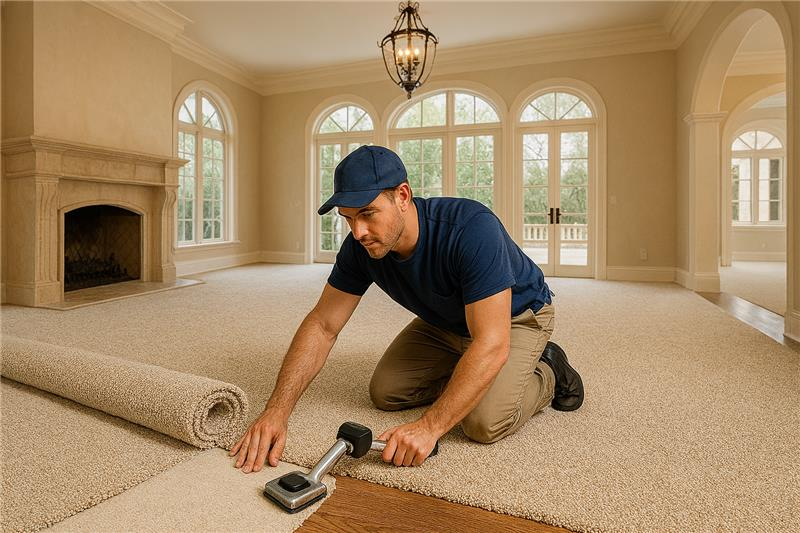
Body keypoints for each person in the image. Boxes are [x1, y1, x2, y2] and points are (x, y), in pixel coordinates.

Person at [230, 145, 583, 473]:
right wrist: (276, 411)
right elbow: (323, 324)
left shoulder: (471, 228)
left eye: (368, 213)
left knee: (484, 422)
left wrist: (430, 427)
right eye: (348, 218)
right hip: (444, 321)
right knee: (386, 392)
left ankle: (550, 368)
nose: (358, 232)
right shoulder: (360, 248)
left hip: (515, 317)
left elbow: (492, 341)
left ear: (402, 196)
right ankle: (471, 370)